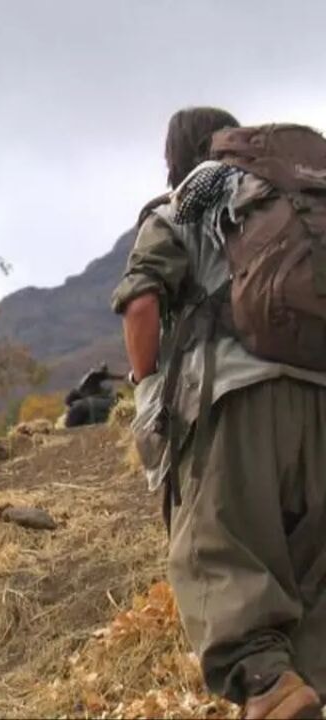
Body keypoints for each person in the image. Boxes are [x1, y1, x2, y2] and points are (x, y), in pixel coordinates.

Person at [113, 107, 326, 718]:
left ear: (173, 160)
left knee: (218, 550)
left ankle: (268, 684)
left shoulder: (186, 203)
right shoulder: (285, 202)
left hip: (238, 403)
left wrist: (147, 383)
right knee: (313, 575)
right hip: (320, 398)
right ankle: (303, 684)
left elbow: (142, 304)